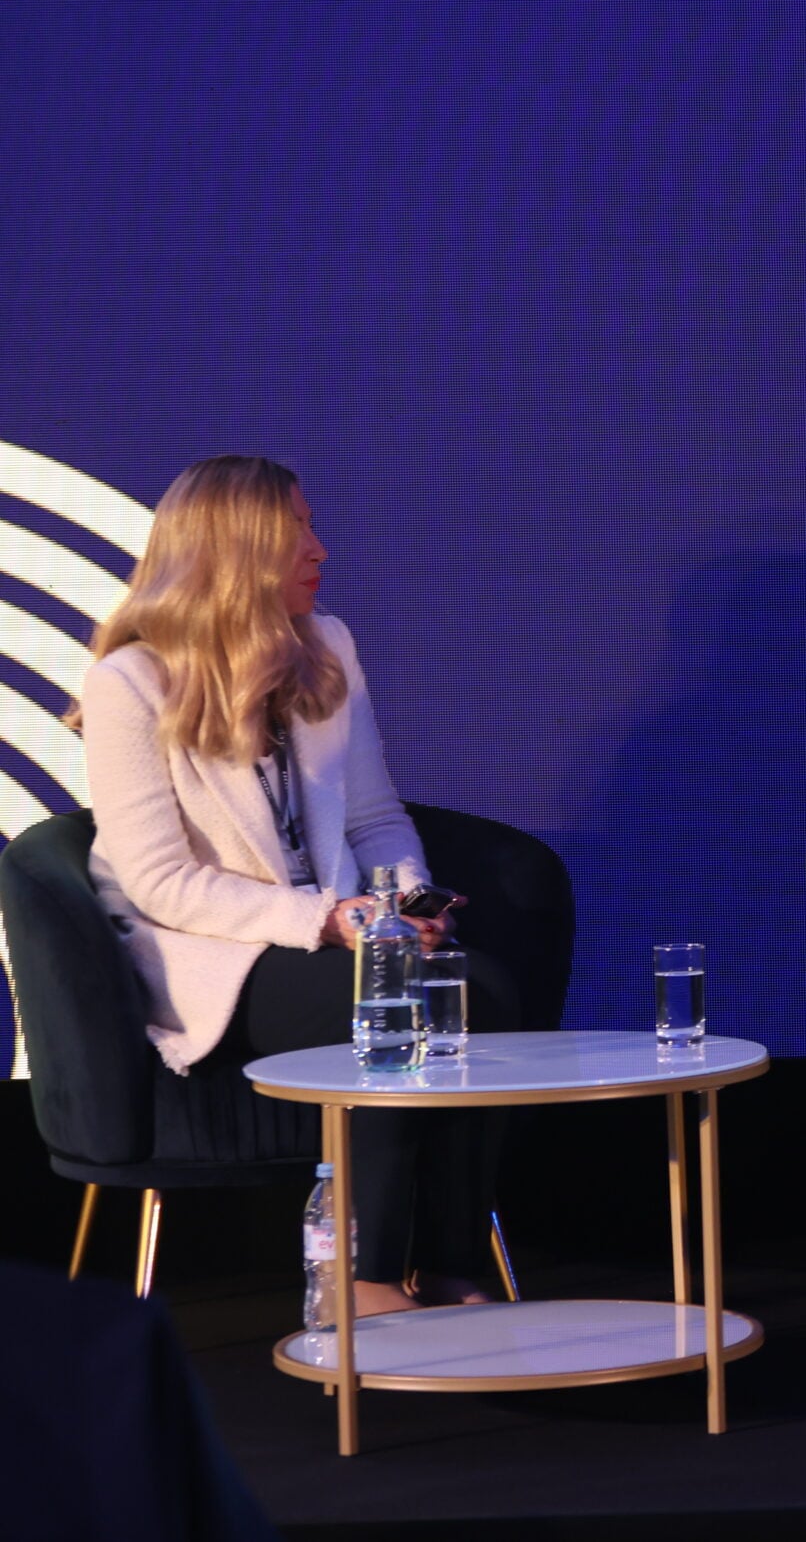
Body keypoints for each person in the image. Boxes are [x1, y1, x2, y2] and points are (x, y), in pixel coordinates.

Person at [73, 455, 517, 1316]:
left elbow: (375, 817)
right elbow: (162, 881)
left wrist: (405, 904)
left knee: (475, 993)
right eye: (296, 531)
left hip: (342, 930)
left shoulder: (326, 646)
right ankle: (363, 1276)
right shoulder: (129, 680)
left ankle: (450, 1263)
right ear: (236, 550)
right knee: (388, 1007)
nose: (319, 548)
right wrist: (330, 919)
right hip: (216, 952)